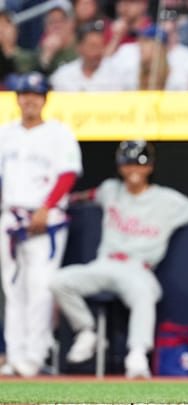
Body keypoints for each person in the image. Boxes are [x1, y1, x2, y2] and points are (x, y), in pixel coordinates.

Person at [49, 140, 188, 379]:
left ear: (150, 167)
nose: (134, 168)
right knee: (58, 281)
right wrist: (59, 203)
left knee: (143, 292)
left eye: (139, 163)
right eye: (128, 163)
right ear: (120, 166)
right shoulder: (109, 190)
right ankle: (86, 331)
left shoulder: (166, 200)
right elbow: (84, 196)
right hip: (104, 264)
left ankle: (137, 354)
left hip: (137, 268)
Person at [0, 72, 83, 377]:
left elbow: (68, 174)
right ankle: (15, 355)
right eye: (24, 95)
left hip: (44, 220)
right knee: (12, 290)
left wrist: (46, 208)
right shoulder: (5, 133)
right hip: (11, 218)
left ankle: (34, 357)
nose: (29, 100)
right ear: (17, 99)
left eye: (35, 95)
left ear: (44, 99)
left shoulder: (58, 133)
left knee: (40, 288)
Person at [50, 20, 120, 91]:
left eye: (101, 46)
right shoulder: (63, 75)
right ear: (79, 48)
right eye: (93, 46)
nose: (98, 52)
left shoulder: (116, 74)